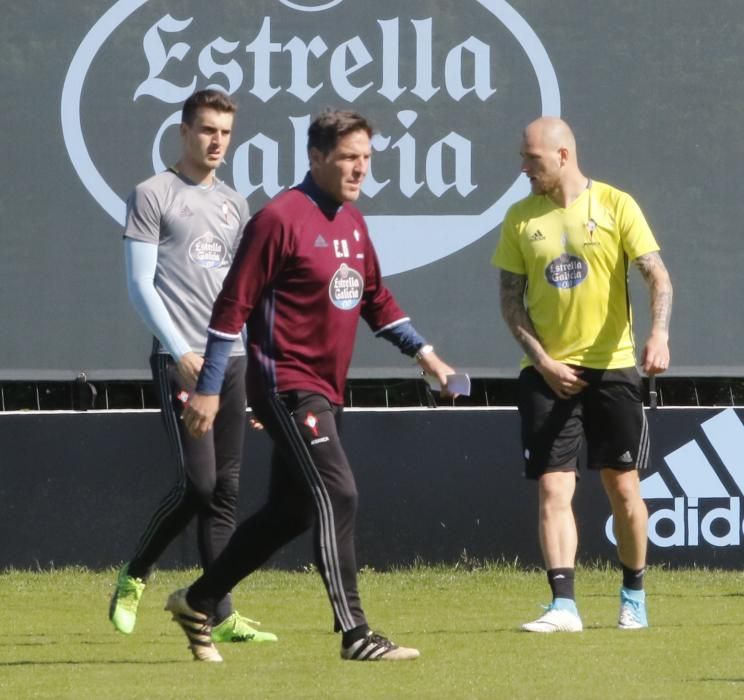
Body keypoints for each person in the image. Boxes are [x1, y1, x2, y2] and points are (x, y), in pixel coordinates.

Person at [163, 109, 458, 662]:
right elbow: (232, 309)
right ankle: (356, 633)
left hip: (327, 389)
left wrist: (427, 355)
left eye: (366, 158)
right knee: (339, 493)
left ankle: (198, 600)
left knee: (291, 513)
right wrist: (207, 387)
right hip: (285, 385)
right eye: (348, 157)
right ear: (317, 156)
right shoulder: (278, 219)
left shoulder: (351, 221)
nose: (359, 169)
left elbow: (375, 299)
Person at [492, 117, 673, 633]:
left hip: (613, 369)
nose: (524, 167)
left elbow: (657, 276)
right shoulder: (520, 218)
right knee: (553, 489)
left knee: (624, 491)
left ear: (564, 155)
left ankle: (633, 594)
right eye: (524, 157)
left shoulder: (616, 204)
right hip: (545, 374)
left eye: (533, 159)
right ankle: (563, 605)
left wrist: (658, 335)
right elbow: (510, 304)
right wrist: (544, 362)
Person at [109, 89, 276, 644]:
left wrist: (253, 373)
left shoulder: (235, 203)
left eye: (225, 133)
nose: (217, 142)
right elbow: (139, 286)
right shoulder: (152, 194)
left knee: (225, 490)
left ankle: (219, 612)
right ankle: (135, 573)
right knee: (199, 485)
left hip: (229, 362)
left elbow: (244, 294)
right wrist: (179, 350)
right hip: (179, 361)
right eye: (207, 130)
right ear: (183, 131)